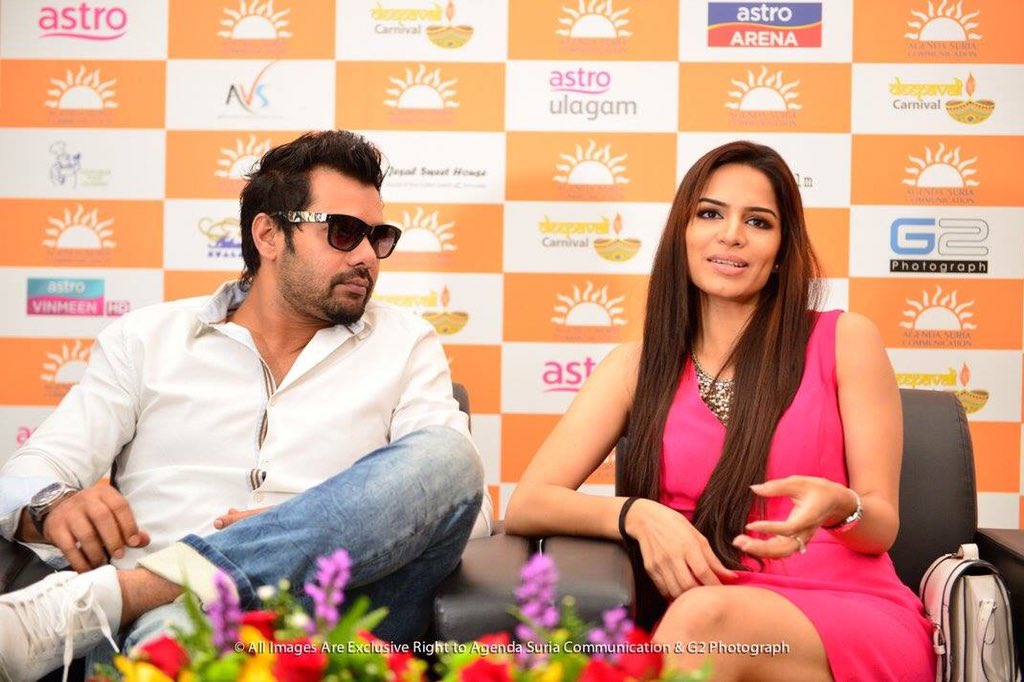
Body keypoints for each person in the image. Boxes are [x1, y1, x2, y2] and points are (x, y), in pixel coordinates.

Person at [0, 130, 491, 680]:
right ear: (269, 234)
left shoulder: (405, 342)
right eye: (344, 232)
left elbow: (464, 507)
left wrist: (302, 531)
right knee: (180, 637)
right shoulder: (146, 339)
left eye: (378, 238)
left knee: (451, 456)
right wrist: (53, 505)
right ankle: (160, 598)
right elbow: (23, 477)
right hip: (173, 625)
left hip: (334, 620)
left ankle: (124, 593)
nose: (365, 257)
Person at [504, 141, 934, 681]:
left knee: (702, 620)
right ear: (682, 233)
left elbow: (881, 526)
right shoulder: (636, 367)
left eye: (758, 221)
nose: (731, 234)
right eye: (710, 214)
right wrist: (639, 514)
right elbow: (529, 502)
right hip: (705, 609)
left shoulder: (845, 339)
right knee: (699, 619)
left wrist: (841, 507)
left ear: (782, 250)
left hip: (847, 612)